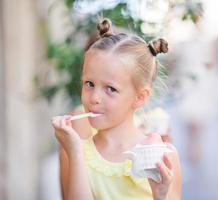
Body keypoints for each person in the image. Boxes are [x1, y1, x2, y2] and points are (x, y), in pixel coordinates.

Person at [51, 18, 182, 200]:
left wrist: (160, 195)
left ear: (140, 97)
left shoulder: (163, 156)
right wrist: (74, 153)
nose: (94, 98)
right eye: (89, 83)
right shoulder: (75, 152)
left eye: (110, 89)